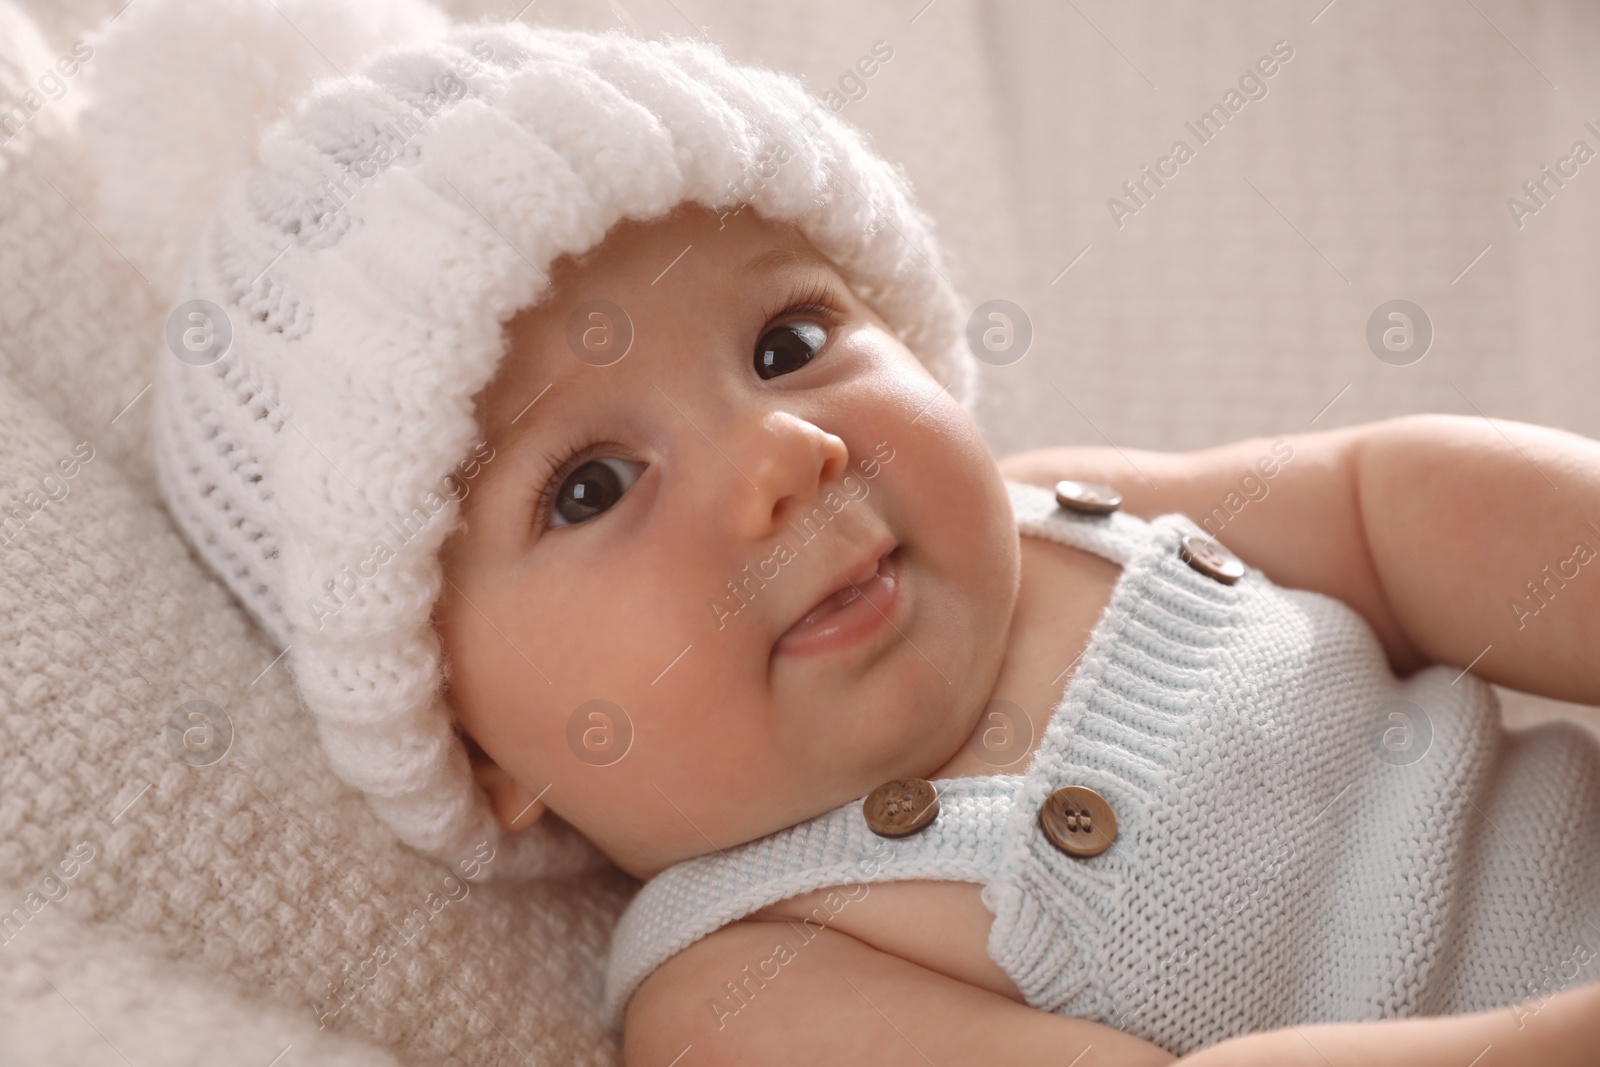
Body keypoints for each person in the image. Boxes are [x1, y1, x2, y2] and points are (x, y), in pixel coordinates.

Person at [135, 16, 1600, 1065]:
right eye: (589, 486)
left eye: (786, 341)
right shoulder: (747, 991)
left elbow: (1390, 507)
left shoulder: (1061, 503)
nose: (783, 457)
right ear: (479, 752)